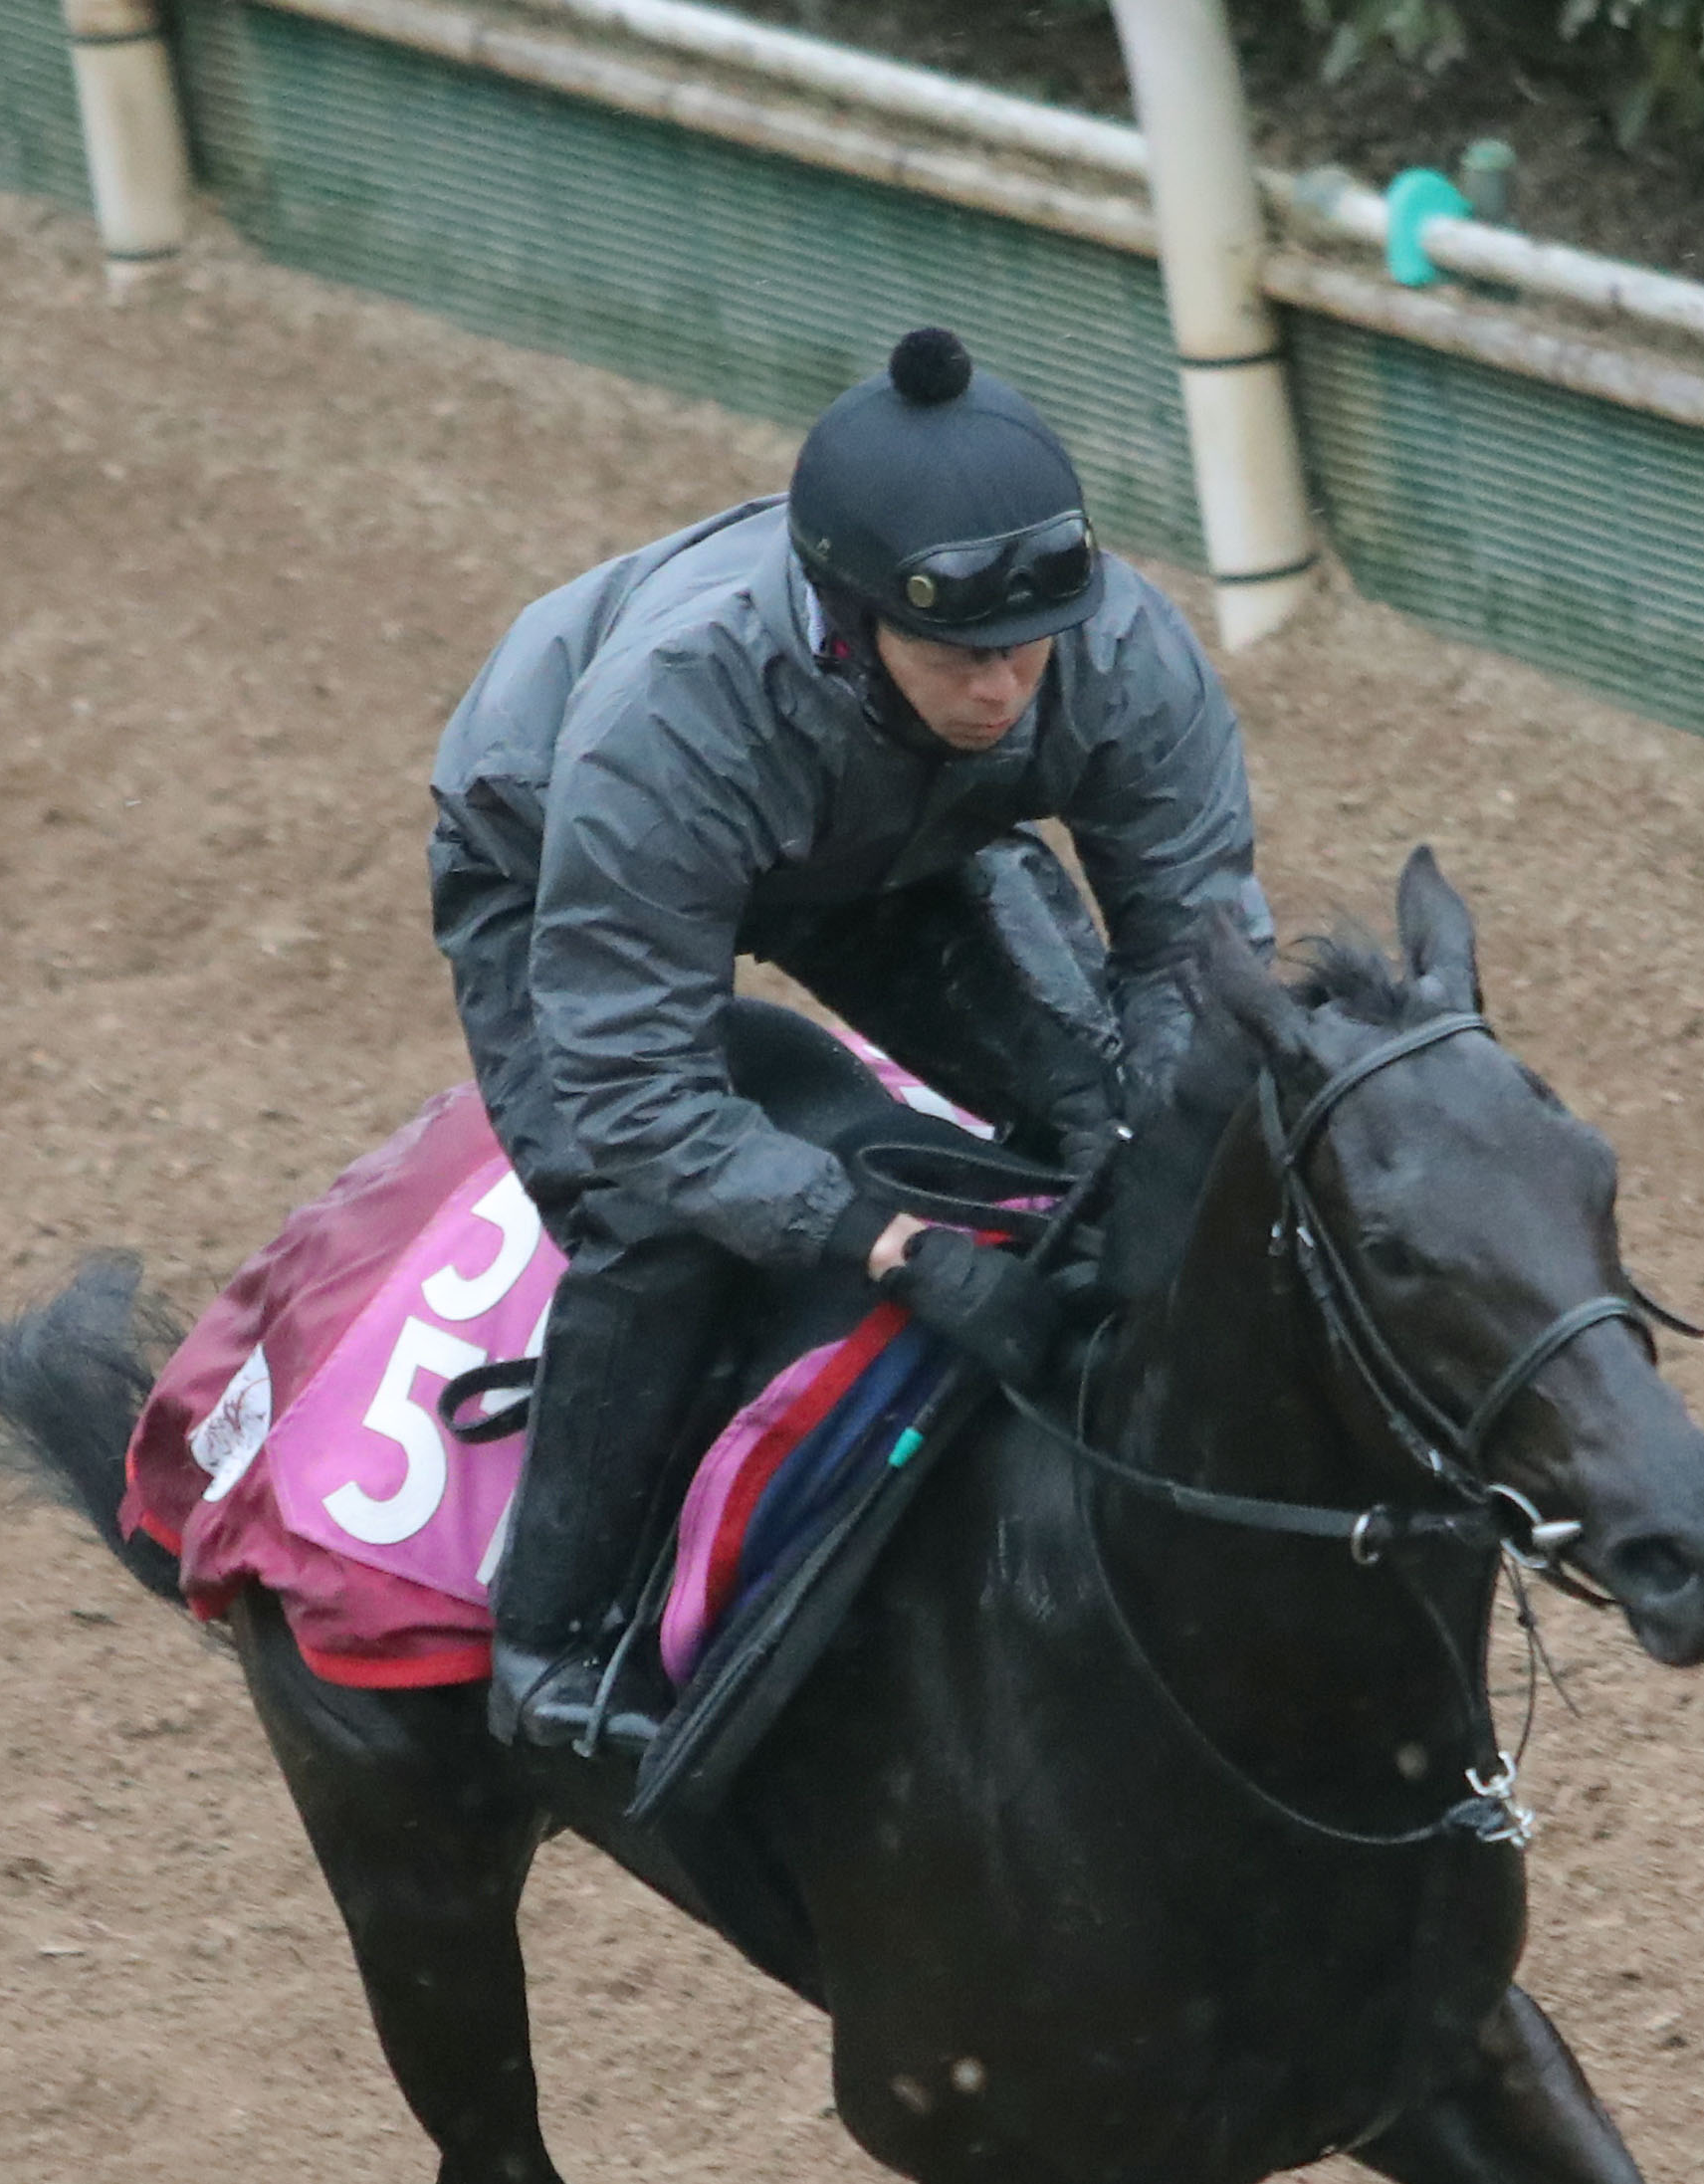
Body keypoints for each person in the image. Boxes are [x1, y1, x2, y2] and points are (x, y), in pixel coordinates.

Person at [429, 324, 1271, 1756]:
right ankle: (549, 1644)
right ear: (846, 615)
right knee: (656, 1225)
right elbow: (638, 1096)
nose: (1004, 692)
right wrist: (894, 1246)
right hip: (558, 849)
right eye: (959, 655)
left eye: (1027, 649)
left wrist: (1153, 1140)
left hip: (901, 839)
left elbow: (1196, 951)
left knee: (1114, 1112)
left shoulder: (1117, 646)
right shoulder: (675, 710)